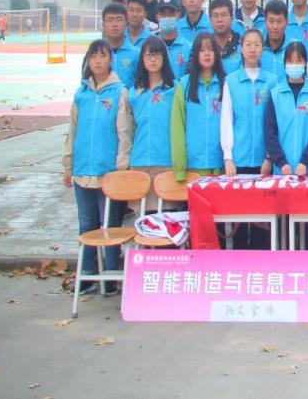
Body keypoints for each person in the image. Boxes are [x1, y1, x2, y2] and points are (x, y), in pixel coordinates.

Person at [62, 39, 133, 293]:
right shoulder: (81, 94)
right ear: (88, 61)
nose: (98, 61)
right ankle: (87, 274)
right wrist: (68, 164)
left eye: (103, 56)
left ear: (110, 60)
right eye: (94, 56)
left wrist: (121, 168)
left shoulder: (119, 92)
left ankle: (111, 275)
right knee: (86, 224)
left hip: (108, 173)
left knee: (110, 226)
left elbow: (124, 132)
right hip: (83, 171)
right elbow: (73, 131)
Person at [219, 28, 276, 249]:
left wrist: (269, 156)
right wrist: (228, 156)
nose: (252, 49)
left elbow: (273, 123)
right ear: (241, 49)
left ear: (263, 49)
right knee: (240, 220)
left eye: (257, 44)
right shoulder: (231, 81)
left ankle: (261, 263)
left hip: (263, 160)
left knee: (263, 221)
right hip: (239, 160)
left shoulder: (271, 81)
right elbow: (227, 119)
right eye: (248, 44)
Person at [128, 36, 177, 210]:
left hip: (166, 161)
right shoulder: (133, 93)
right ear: (142, 59)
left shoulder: (174, 90)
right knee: (142, 216)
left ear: (164, 58)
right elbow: (129, 129)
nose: (153, 59)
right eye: (148, 55)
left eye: (157, 55)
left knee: (166, 216)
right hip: (139, 162)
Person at [170, 33, 227, 182]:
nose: (207, 54)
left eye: (210, 49)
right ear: (195, 54)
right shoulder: (184, 85)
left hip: (221, 167)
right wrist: (180, 168)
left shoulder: (227, 84)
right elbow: (178, 127)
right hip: (193, 168)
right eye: (202, 50)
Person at [263, 42, 308, 177]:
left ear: (305, 63)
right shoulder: (276, 94)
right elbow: (270, 133)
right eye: (291, 61)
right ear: (285, 63)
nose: (294, 65)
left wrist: (305, 161)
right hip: (282, 171)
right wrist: (281, 162)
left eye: (299, 61)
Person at [101, 3, 139, 90]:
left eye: (119, 19)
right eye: (110, 19)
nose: (114, 24)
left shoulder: (137, 53)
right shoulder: (96, 54)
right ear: (103, 24)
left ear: (126, 23)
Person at [155, 0, 191, 80]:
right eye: (163, 14)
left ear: (178, 15)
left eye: (171, 14)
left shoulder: (189, 47)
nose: (167, 18)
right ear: (157, 16)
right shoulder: (152, 46)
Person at [208, 0, 241, 76]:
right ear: (210, 19)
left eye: (223, 15)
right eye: (215, 15)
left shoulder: (242, 45)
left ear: (231, 18)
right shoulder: (205, 47)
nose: (219, 20)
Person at [259, 0, 290, 80]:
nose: (275, 26)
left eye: (279, 21)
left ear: (286, 22)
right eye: (271, 21)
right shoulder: (257, 47)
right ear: (265, 22)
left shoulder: (293, 47)